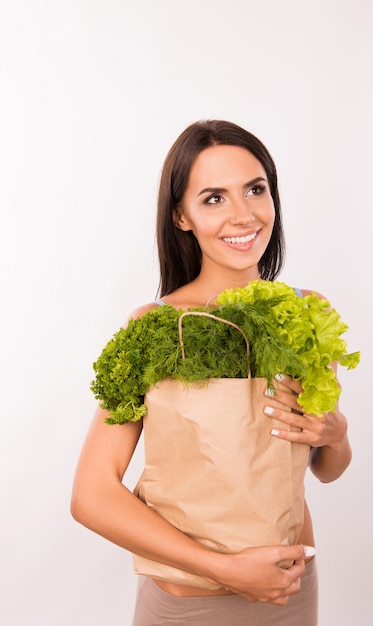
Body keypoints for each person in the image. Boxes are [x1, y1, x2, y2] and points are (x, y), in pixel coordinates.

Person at [71, 120, 352, 625]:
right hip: (187, 605)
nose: (243, 215)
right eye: (214, 198)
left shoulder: (307, 312)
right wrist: (223, 569)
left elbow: (326, 468)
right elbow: (92, 495)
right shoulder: (155, 327)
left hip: (291, 592)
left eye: (255, 189)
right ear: (182, 216)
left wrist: (336, 432)